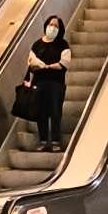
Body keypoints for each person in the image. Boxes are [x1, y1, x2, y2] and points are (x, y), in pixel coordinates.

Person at [27, 14, 71, 151]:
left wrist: (47, 66)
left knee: (55, 111)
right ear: (46, 25)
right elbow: (30, 64)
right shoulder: (37, 45)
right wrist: (37, 66)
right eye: (51, 25)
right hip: (39, 83)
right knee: (41, 112)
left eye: (56, 26)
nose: (52, 28)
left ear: (60, 29)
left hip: (56, 83)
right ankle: (43, 141)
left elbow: (64, 64)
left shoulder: (63, 45)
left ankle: (56, 141)